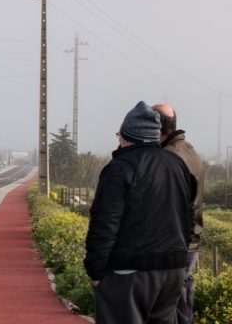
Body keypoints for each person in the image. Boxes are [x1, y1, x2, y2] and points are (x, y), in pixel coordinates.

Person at [84, 101, 196, 324]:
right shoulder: (177, 165)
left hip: (129, 272)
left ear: (126, 136)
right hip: (172, 270)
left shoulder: (120, 168)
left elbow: (105, 223)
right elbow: (188, 217)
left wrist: (95, 271)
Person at [153, 104, 205, 324]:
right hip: (190, 237)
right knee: (183, 295)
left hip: (177, 240)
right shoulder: (188, 150)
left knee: (175, 301)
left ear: (157, 128)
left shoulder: (170, 158)